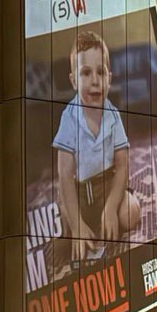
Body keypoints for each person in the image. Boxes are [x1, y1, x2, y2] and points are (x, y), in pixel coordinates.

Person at [53, 29, 141, 264]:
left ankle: (106, 221)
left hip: (108, 186)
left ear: (109, 79)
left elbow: (122, 166)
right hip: (80, 193)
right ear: (73, 81)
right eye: (86, 73)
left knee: (131, 213)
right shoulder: (69, 119)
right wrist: (76, 222)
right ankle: (84, 227)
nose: (94, 81)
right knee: (59, 234)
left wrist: (112, 207)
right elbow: (63, 175)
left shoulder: (113, 116)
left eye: (100, 72)